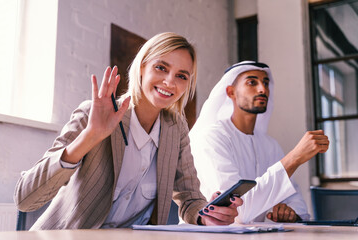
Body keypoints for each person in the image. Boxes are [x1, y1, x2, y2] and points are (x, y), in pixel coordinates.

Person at [14, 32, 242, 230]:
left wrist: (208, 215)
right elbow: (25, 199)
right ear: (142, 67)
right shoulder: (92, 114)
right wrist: (89, 137)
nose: (170, 82)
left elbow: (190, 198)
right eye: (161, 68)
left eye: (182, 76)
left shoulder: (176, 129)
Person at [189, 61, 329, 223]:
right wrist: (294, 158)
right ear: (231, 92)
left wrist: (289, 211)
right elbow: (237, 212)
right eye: (252, 82)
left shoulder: (270, 145)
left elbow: (296, 202)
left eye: (266, 83)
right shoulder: (212, 137)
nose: (262, 89)